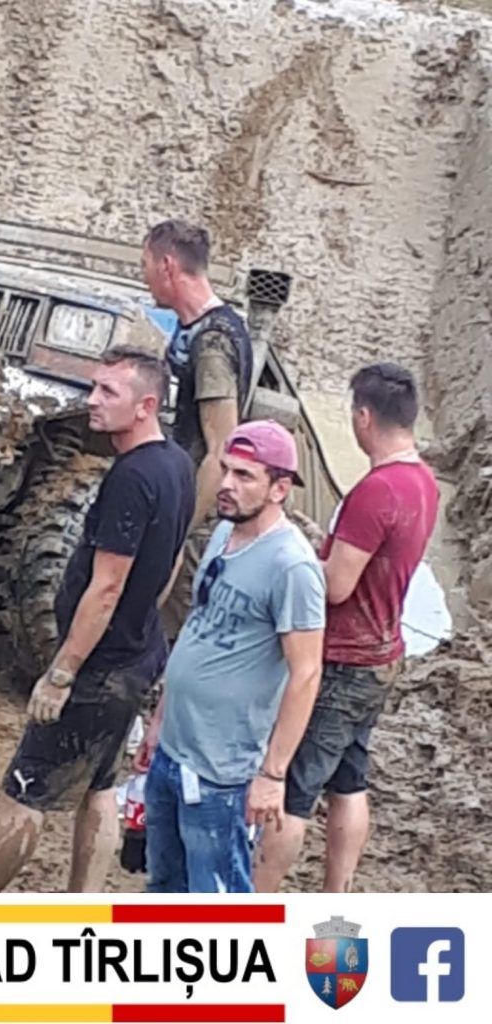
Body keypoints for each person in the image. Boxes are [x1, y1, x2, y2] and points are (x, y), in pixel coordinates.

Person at [0, 348, 195, 892]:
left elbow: (106, 586)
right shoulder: (178, 465)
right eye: (94, 387)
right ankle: (84, 915)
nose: (92, 401)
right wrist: (142, 620)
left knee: (24, 793)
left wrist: (62, 672)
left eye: (109, 392)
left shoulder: (131, 478)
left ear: (146, 406)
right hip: (137, 656)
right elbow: (174, 557)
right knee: (100, 785)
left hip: (98, 668)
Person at [255, 363, 439, 893]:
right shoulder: (424, 483)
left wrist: (292, 559)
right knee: (349, 780)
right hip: (383, 651)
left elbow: (336, 585)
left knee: (292, 789)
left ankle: (255, 902)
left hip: (343, 658)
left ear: (363, 417)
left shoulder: (376, 491)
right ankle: (337, 894)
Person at [134, 420, 325, 893]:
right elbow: (197, 629)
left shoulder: (292, 567)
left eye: (244, 476)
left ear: (280, 488)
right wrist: (159, 720)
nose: (226, 484)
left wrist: (272, 775)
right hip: (175, 749)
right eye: (225, 470)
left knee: (218, 900)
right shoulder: (224, 533)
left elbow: (306, 673)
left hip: (223, 771)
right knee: (164, 886)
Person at [141, 219, 254, 635]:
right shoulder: (197, 331)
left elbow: (222, 448)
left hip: (195, 522)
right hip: (181, 505)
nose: (143, 276)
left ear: (167, 266)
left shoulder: (213, 342)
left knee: (164, 638)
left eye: (146, 264)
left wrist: (177, 533)